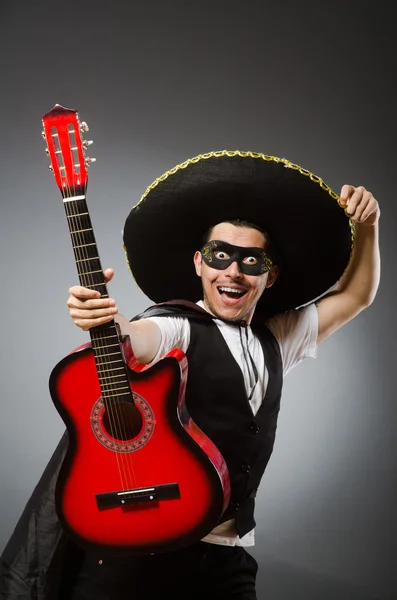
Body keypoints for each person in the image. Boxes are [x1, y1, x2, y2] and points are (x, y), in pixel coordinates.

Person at [0, 151, 380, 600]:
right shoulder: (176, 327)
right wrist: (103, 317)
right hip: (139, 554)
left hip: (223, 556)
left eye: (251, 261)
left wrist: (368, 227)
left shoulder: (279, 337)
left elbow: (356, 295)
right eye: (220, 256)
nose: (233, 271)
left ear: (270, 275)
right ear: (199, 263)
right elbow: (132, 338)